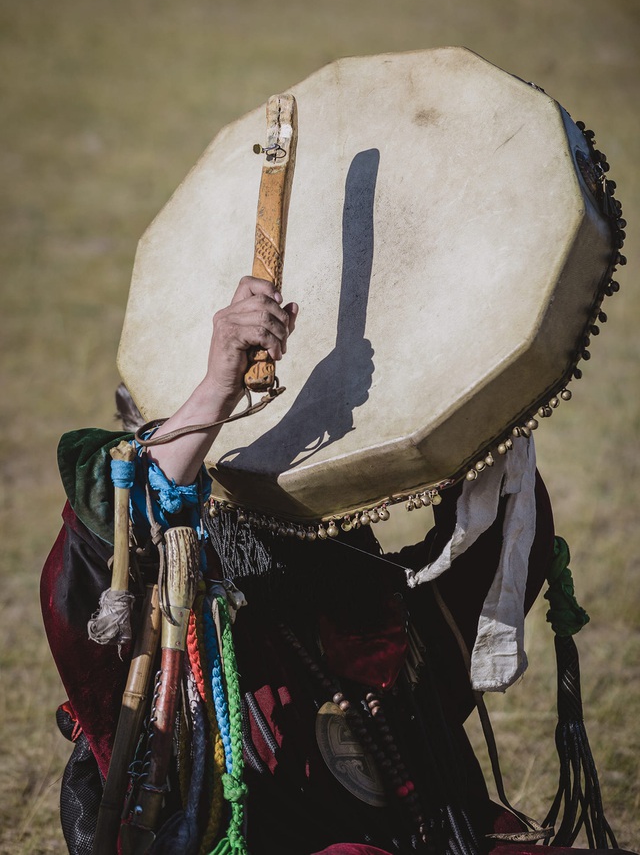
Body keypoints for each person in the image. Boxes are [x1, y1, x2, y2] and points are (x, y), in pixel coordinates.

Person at [41, 277, 623, 855]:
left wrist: (474, 376)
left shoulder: (364, 602)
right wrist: (217, 391)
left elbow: (493, 550)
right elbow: (119, 515)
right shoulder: (142, 628)